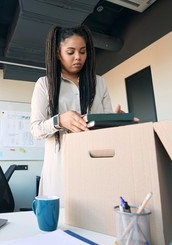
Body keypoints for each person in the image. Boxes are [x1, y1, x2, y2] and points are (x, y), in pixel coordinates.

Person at [30, 24, 125, 205]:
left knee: (96, 216)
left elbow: (106, 129)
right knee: (62, 222)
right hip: (60, 167)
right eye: (71, 52)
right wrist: (60, 120)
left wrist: (117, 121)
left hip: (94, 163)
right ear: (58, 53)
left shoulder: (99, 83)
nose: (78, 57)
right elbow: (36, 129)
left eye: (82, 51)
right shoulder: (45, 84)